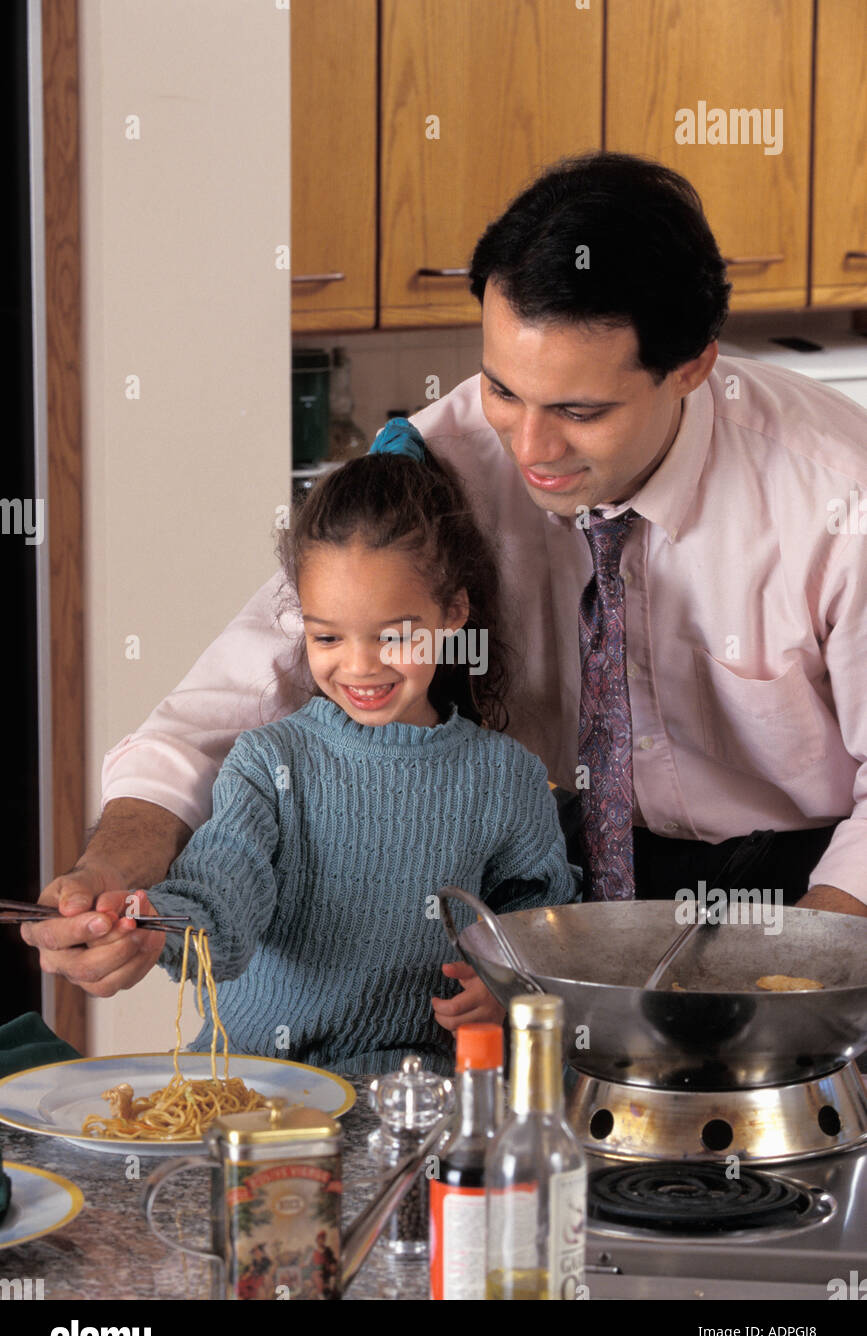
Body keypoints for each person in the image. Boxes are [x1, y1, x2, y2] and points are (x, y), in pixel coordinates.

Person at [26, 151, 867, 999]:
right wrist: (114, 862)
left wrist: (798, 977)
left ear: (690, 367)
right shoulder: (444, 462)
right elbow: (243, 685)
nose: (530, 451)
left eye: (580, 411)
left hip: (804, 889)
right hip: (558, 883)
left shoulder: (839, 495)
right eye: (503, 390)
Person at [84, 426, 575, 1073]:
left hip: (410, 1095)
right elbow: (219, 900)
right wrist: (149, 926)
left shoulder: (505, 777)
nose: (359, 667)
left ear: (453, 611)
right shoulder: (267, 762)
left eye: (392, 636)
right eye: (328, 638)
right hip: (254, 1089)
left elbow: (538, 926)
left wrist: (510, 987)